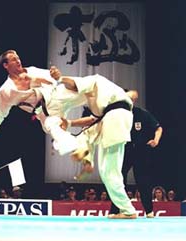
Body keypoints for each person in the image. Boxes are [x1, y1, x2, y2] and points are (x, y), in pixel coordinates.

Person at [50, 72, 137, 219]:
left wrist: (59, 78)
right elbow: (92, 120)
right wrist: (70, 123)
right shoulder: (102, 98)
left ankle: (128, 211)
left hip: (115, 118)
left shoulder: (94, 81)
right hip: (114, 118)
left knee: (110, 172)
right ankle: (85, 155)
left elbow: (72, 83)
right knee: (107, 170)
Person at [0, 49, 81, 156]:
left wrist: (43, 77)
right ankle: (71, 145)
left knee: (84, 89)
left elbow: (54, 79)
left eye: (18, 58)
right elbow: (0, 112)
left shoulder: (32, 71)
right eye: (13, 60)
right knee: (52, 126)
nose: (18, 61)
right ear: (5, 65)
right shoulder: (6, 90)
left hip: (56, 97)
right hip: (44, 112)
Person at [108, 90, 163, 218]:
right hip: (123, 151)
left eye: (133, 98)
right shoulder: (116, 114)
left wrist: (156, 140)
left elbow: (158, 128)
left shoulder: (141, 114)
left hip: (140, 151)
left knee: (143, 181)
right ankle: (115, 210)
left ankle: (149, 211)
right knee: (118, 181)